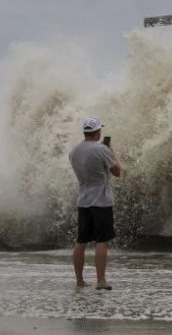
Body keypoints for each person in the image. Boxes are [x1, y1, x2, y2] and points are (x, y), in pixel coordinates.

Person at [69, 116, 121, 290]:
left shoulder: (74, 152)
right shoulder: (101, 149)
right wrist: (110, 151)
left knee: (81, 241)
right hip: (101, 201)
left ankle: (79, 281)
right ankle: (101, 281)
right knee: (102, 241)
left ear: (85, 132)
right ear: (97, 132)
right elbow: (117, 172)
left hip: (83, 201)